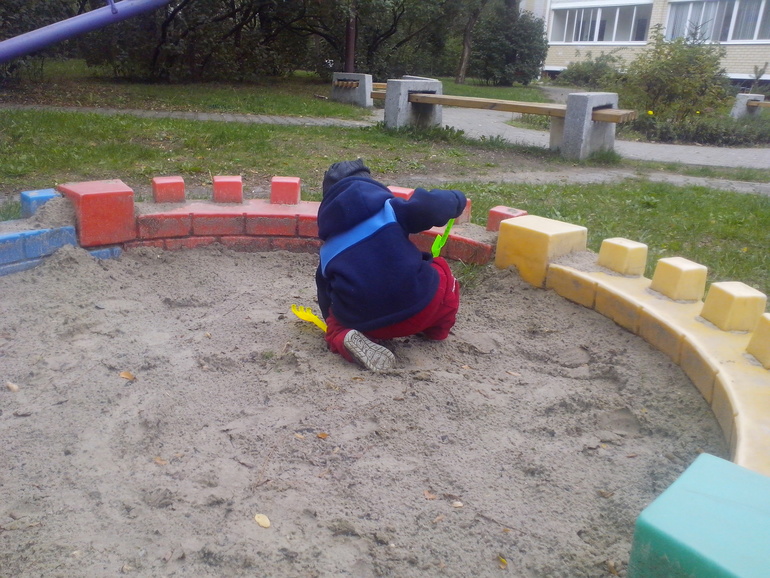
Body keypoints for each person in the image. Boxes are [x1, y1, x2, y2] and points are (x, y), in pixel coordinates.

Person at [315, 159, 467, 371]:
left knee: (335, 322)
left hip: (370, 325)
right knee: (441, 271)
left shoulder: (329, 248)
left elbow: (326, 297)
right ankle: (436, 330)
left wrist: (336, 321)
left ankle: (342, 336)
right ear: (371, 186)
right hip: (422, 308)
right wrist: (455, 199)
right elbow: (430, 207)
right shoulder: (390, 211)